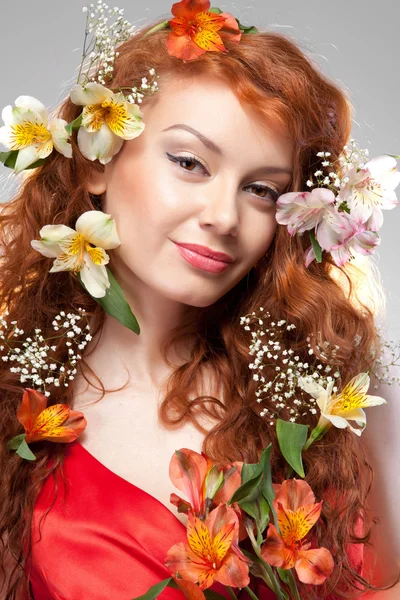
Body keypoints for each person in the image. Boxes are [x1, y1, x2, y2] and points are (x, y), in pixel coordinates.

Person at [0, 1, 398, 598]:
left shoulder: (332, 404)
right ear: (96, 160)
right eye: (189, 162)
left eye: (263, 190)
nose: (223, 217)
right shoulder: (14, 402)